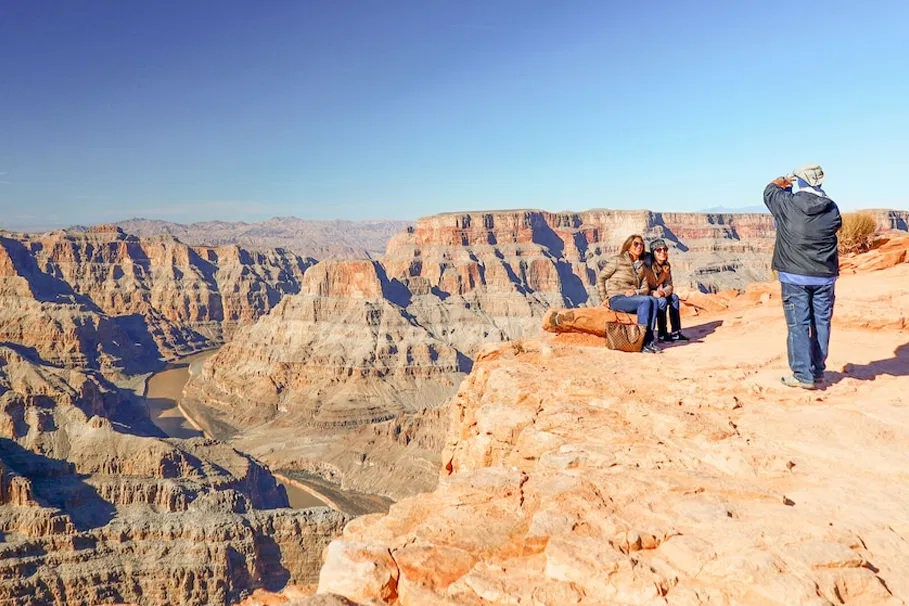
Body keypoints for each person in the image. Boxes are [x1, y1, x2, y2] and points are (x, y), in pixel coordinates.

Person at [764, 163, 842, 390]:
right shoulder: (832, 208)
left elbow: (769, 191)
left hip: (794, 276)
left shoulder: (788, 204)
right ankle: (817, 372)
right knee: (821, 323)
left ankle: (802, 374)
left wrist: (784, 180)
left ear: (800, 180)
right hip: (824, 276)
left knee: (798, 324)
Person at [597, 234, 660, 353]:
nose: (639, 246)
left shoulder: (642, 266)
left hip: (633, 299)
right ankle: (640, 343)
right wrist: (604, 298)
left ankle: (649, 341)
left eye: (641, 244)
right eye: (636, 244)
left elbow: (645, 288)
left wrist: (636, 291)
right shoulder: (618, 260)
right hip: (617, 298)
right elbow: (601, 278)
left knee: (654, 301)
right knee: (646, 300)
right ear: (628, 246)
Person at [644, 239, 688, 342]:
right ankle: (662, 334)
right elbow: (643, 285)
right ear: (653, 252)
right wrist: (653, 293)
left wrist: (663, 292)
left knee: (674, 298)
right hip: (647, 295)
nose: (663, 252)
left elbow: (669, 285)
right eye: (659, 250)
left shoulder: (666, 266)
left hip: (660, 293)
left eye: (665, 249)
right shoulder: (647, 267)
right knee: (662, 302)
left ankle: (676, 333)